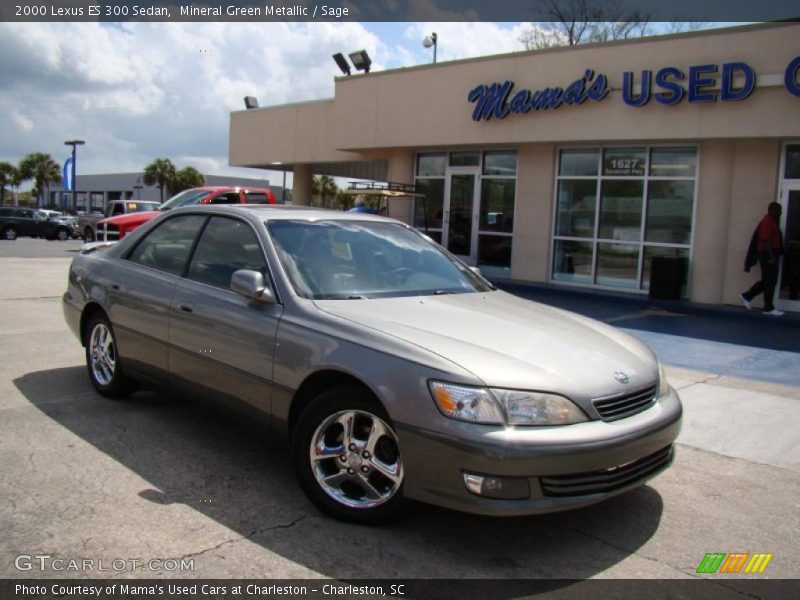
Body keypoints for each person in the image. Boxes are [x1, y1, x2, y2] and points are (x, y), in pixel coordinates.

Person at [740, 202, 784, 316]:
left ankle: (747, 296)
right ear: (772, 210)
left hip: (769, 254)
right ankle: (768, 307)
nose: (781, 212)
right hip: (767, 255)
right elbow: (766, 241)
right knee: (769, 281)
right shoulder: (767, 222)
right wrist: (772, 257)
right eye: (779, 210)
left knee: (768, 281)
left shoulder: (772, 222)